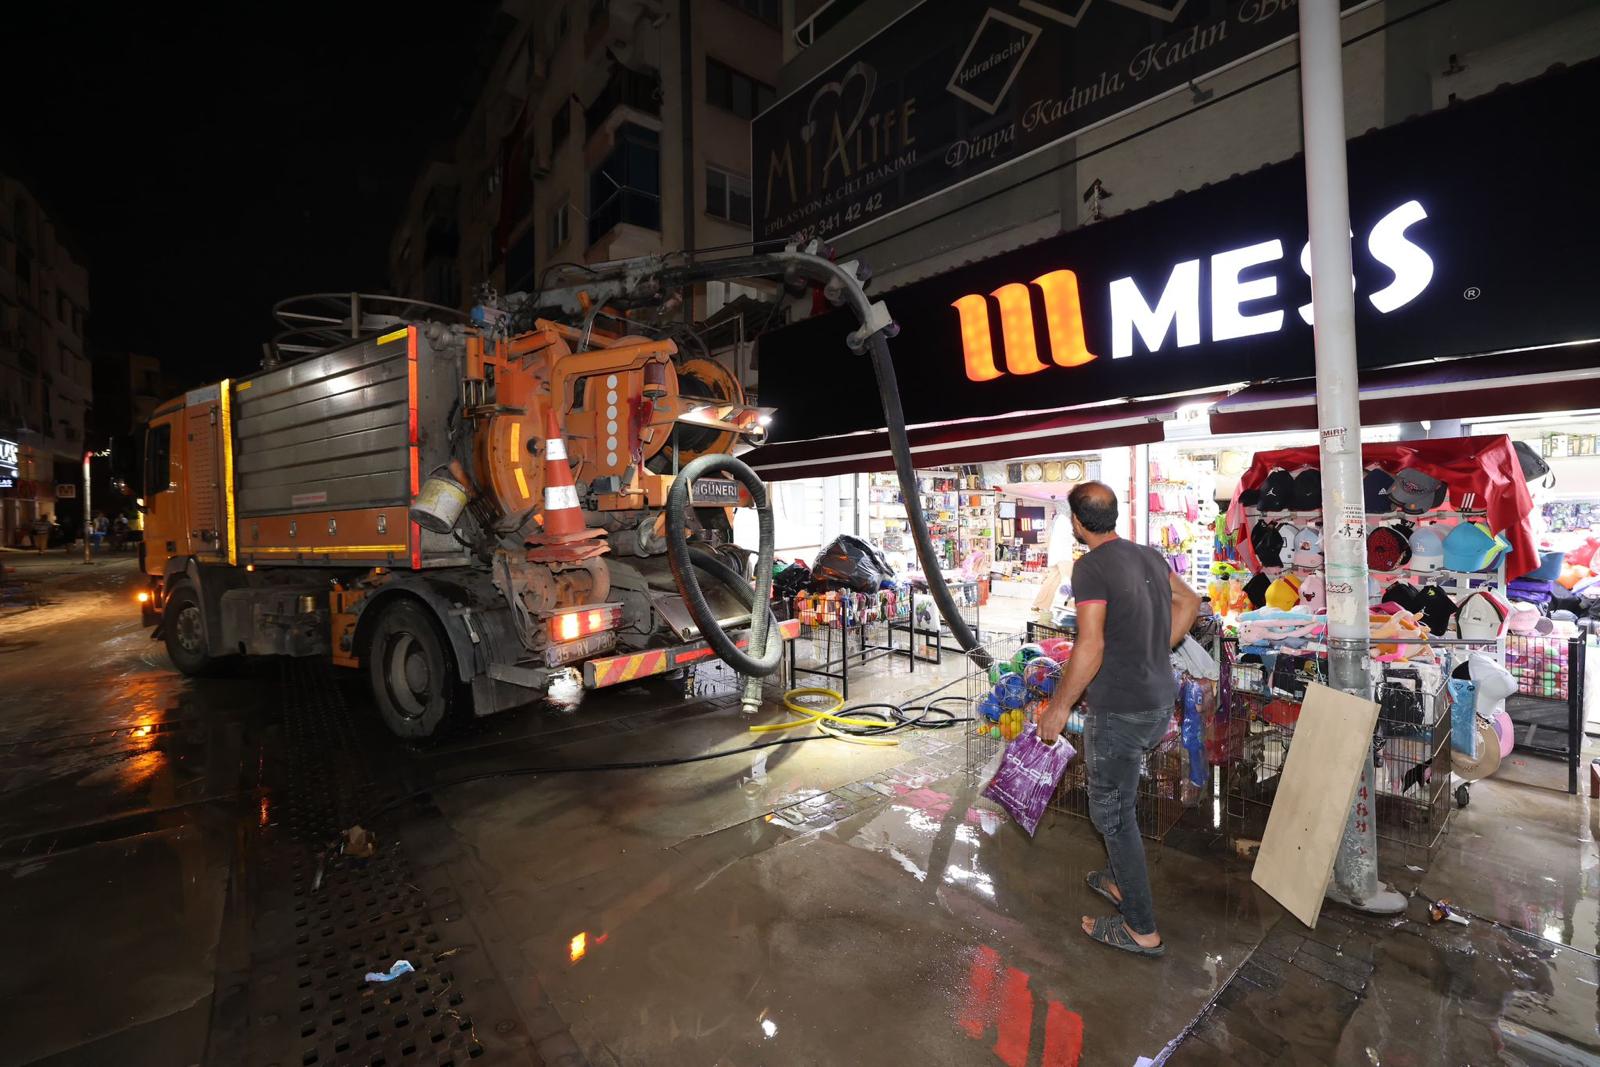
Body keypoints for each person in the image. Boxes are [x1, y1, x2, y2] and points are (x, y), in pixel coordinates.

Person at [1038, 481, 1201, 959]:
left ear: (1076, 522)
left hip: (1122, 710)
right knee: (1119, 803)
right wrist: (1154, 647)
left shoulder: (1090, 567)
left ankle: (1141, 928)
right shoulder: (1148, 554)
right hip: (1156, 702)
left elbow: (1090, 644)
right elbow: (1190, 603)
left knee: (1112, 813)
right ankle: (1119, 881)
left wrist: (1059, 706)